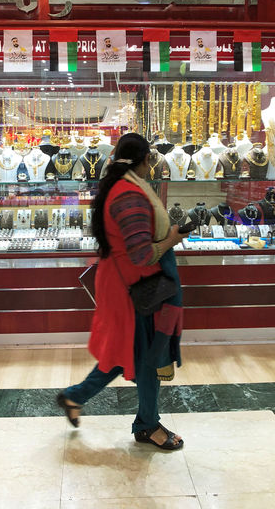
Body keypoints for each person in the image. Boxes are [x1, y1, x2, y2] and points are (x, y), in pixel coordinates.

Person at [56, 133, 187, 450]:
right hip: (134, 289)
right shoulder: (129, 195)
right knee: (147, 357)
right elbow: (142, 254)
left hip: (127, 284)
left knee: (126, 352)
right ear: (145, 161)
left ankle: (75, 397)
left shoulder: (119, 188)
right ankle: (148, 425)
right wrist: (172, 238)